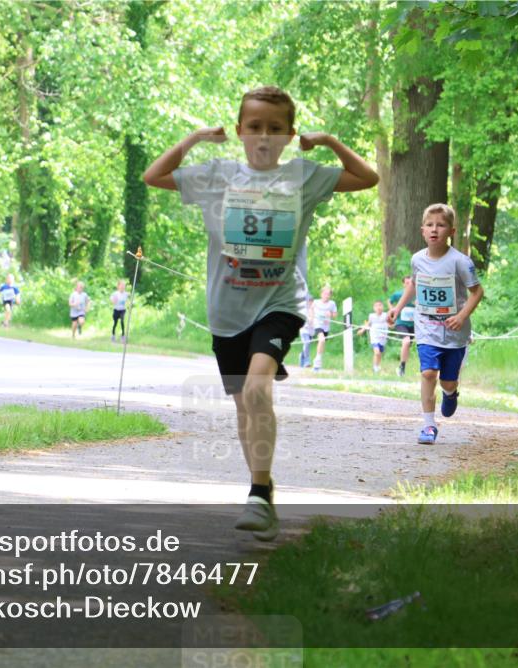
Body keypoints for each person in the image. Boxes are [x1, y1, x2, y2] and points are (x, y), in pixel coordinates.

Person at [143, 85, 378, 540]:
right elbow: (154, 175)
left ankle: (255, 492)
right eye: (254, 127)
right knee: (242, 405)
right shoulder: (218, 175)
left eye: (275, 128)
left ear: (290, 135)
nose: (264, 137)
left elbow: (367, 178)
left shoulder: (303, 177)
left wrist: (327, 141)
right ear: (240, 131)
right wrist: (196, 137)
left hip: (280, 302)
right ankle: (264, 491)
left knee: (256, 390)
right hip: (226, 311)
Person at [388, 203, 483, 445]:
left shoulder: (460, 262)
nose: (434, 230)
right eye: (430, 225)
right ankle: (429, 426)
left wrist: (461, 316)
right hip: (427, 327)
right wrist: (397, 309)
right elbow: (413, 284)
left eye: (441, 225)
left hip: (454, 332)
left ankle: (451, 393)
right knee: (428, 373)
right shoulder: (417, 259)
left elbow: (477, 292)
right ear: (422, 230)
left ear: (451, 232)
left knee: (447, 381)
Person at [388, 275, 415, 376]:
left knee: (409, 345)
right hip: (401, 323)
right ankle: (402, 367)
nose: (409, 285)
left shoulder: (417, 295)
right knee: (406, 342)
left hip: (414, 325)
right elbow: (389, 300)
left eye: (410, 283)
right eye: (407, 283)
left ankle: (402, 367)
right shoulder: (399, 294)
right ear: (403, 284)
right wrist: (392, 311)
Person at [357, 300, 389, 374]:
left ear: (383, 307)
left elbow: (390, 324)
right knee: (377, 352)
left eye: (380, 305)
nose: (378, 307)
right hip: (374, 337)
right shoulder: (371, 316)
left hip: (383, 337)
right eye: (376, 306)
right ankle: (375, 367)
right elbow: (367, 324)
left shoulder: (385, 315)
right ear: (374, 308)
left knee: (380, 353)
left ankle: (377, 365)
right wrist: (362, 330)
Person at [310, 285, 336, 371]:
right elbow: (311, 310)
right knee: (322, 340)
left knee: (322, 343)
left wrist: (330, 314)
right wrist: (311, 318)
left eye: (328, 294)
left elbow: (335, 315)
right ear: (321, 294)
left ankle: (318, 360)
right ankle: (317, 362)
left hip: (326, 327)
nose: (326, 296)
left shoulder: (332, 304)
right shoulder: (316, 302)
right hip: (317, 324)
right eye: (325, 294)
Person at [298, 295, 313, 367]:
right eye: (308, 301)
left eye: (311, 301)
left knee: (307, 345)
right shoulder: (303, 310)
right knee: (307, 343)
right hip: (304, 330)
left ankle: (302, 356)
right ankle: (307, 360)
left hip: (311, 331)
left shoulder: (314, 309)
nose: (310, 303)